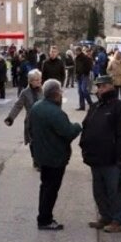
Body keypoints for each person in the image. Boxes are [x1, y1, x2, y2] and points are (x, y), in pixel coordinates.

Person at [80, 75, 121, 232]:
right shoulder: (95, 107)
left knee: (114, 190)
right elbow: (86, 126)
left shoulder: (119, 107)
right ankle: (105, 216)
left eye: (102, 86)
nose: (99, 89)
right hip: (95, 157)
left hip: (111, 158)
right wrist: (84, 146)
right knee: (99, 190)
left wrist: (120, 156)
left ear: (110, 87)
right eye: (98, 87)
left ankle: (119, 220)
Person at [28, 79, 82, 231]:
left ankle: (43, 216)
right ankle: (45, 219)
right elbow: (68, 132)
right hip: (55, 156)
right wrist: (78, 126)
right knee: (51, 189)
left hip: (42, 155)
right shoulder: (55, 112)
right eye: (60, 91)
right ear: (56, 94)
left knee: (45, 187)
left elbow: (30, 128)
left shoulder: (36, 107)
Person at [5, 69, 44, 168]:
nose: (39, 82)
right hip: (31, 121)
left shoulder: (44, 91)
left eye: (40, 79)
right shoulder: (25, 92)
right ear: (30, 81)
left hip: (43, 121)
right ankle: (36, 159)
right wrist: (10, 118)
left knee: (42, 141)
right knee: (33, 141)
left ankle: (40, 160)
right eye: (36, 80)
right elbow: (18, 106)